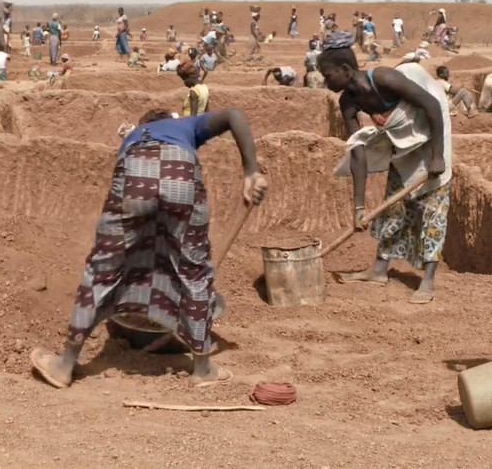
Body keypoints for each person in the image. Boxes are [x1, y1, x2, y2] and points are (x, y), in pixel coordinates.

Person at [29, 107, 268, 389]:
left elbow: (146, 232)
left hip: (135, 174)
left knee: (103, 268)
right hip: (181, 175)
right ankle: (203, 369)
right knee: (194, 272)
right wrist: (250, 173)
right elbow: (234, 115)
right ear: (172, 119)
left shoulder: (135, 137)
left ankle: (64, 364)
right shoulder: (187, 125)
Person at [319, 32, 451, 303]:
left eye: (328, 75)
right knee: (393, 205)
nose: (325, 82)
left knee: (433, 209)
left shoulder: (383, 78)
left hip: (433, 135)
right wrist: (358, 208)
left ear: (345, 69)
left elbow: (432, 105)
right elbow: (358, 151)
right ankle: (380, 269)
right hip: (403, 144)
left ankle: (427, 279)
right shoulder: (347, 103)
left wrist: (438, 156)